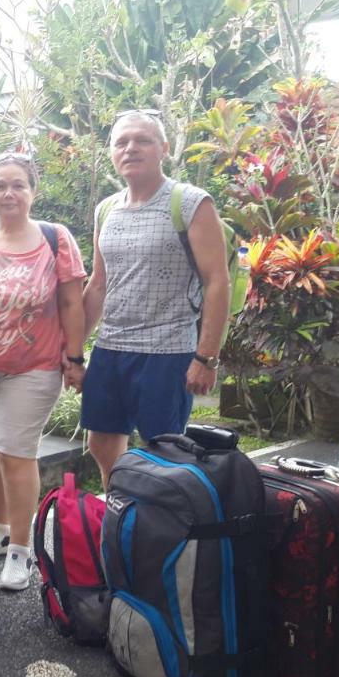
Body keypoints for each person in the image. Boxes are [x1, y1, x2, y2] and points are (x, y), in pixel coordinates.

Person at [81, 110, 229, 486]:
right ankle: (121, 514)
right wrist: (71, 352)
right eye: (121, 142)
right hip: (111, 348)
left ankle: (162, 525)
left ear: (163, 148)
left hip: (168, 352)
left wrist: (206, 357)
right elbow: (98, 284)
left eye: (142, 140)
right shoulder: (106, 209)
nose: (131, 148)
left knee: (164, 451)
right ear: (112, 152)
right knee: (100, 442)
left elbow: (217, 281)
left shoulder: (192, 203)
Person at [0, 152, 86, 590]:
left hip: (32, 367)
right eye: (0, 185)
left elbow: (72, 302)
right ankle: (0, 529)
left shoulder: (55, 238)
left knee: (16, 454)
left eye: (18, 185)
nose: (9, 193)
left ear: (33, 191)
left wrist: (75, 357)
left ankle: (22, 550)